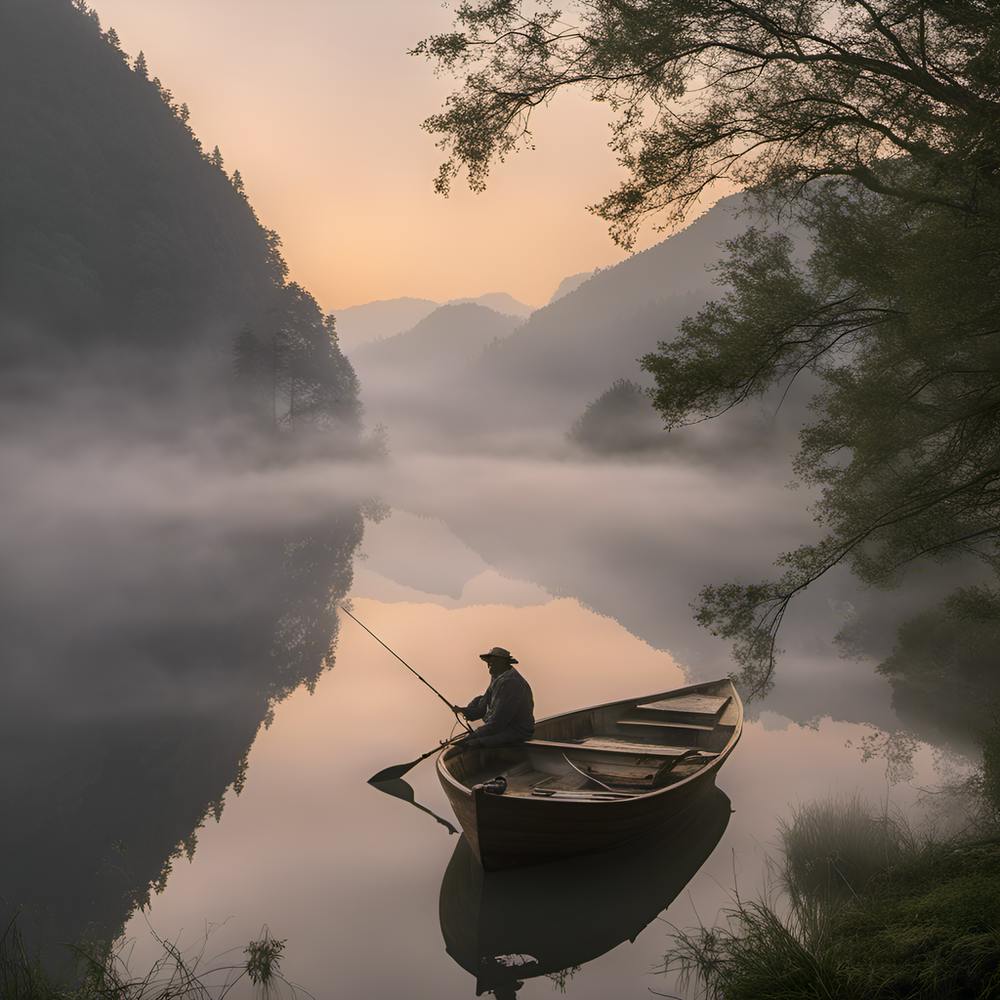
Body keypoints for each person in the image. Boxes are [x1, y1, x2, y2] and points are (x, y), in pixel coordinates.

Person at [454, 646, 534, 748]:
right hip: (501, 728)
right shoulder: (497, 677)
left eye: (494, 661)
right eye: (489, 661)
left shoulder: (511, 683)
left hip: (517, 731)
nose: (489, 664)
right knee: (477, 701)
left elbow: (498, 723)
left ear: (504, 663)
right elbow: (482, 706)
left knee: (475, 743)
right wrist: (463, 711)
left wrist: (473, 737)